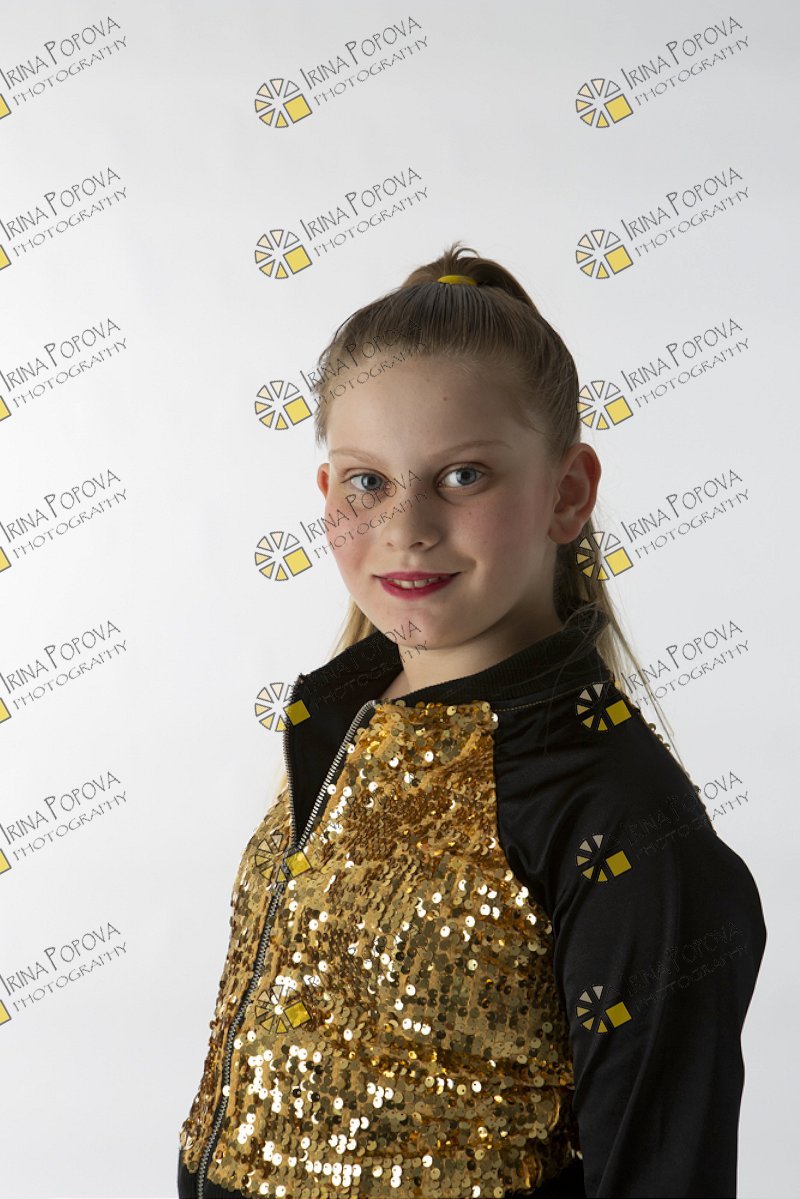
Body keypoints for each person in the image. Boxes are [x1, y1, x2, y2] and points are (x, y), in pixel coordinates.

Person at [176, 242, 766, 1198]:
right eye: (368, 481)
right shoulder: (337, 727)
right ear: (327, 496)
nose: (406, 526)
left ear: (567, 492)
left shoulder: (620, 820)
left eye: (462, 477)